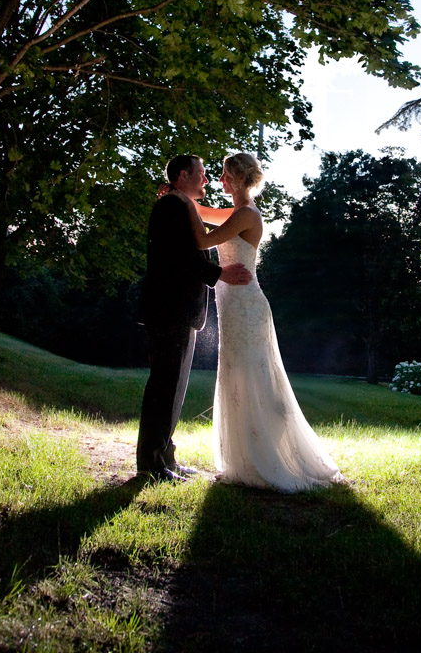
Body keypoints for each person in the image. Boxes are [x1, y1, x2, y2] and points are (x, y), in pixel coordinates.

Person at [179, 152, 345, 492]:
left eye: (225, 175)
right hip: (232, 304)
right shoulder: (236, 211)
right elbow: (201, 212)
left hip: (246, 305)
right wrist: (178, 196)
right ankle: (243, 459)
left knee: (251, 375)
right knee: (235, 374)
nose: (220, 180)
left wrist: (182, 201)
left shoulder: (246, 214)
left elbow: (202, 239)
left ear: (239, 178)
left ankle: (264, 458)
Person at [135, 154, 252, 483]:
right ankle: (151, 464)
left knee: (173, 387)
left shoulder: (180, 204)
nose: (206, 179)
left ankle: (165, 457)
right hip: (169, 309)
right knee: (164, 386)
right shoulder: (171, 207)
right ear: (183, 175)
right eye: (201, 173)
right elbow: (179, 257)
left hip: (178, 310)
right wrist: (219, 273)